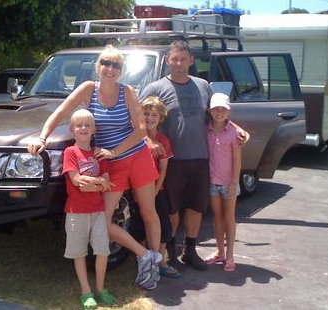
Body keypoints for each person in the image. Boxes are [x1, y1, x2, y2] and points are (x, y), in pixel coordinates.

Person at [27, 45, 162, 290]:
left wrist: (115, 151)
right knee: (103, 222)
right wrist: (42, 137)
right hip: (111, 164)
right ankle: (146, 255)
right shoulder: (88, 89)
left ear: (121, 70)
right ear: (98, 66)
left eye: (116, 65)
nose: (110, 69)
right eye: (106, 63)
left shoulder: (128, 91)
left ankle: (153, 266)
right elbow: (60, 112)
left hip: (136, 157)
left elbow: (140, 130)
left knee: (148, 212)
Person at [139, 40, 249, 271]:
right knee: (172, 209)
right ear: (168, 59)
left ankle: (190, 250)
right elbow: (140, 120)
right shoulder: (155, 88)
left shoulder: (202, 86)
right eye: (174, 59)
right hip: (171, 162)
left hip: (200, 159)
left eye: (183, 59)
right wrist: (148, 140)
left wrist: (238, 129)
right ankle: (170, 252)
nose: (178, 64)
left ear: (191, 61)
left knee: (196, 207)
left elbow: (217, 115)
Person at [62, 109, 117, 308]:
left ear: (94, 129)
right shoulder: (70, 152)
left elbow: (107, 183)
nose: (83, 128)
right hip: (76, 211)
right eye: (79, 125)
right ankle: (86, 291)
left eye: (87, 125)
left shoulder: (98, 154)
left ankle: (101, 288)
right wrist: (98, 182)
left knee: (102, 250)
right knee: (79, 252)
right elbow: (76, 180)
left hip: (98, 210)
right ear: (72, 130)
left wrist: (94, 183)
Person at [142, 96, 181, 278]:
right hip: (138, 189)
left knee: (164, 226)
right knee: (140, 226)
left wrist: (155, 192)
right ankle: (146, 259)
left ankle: (160, 260)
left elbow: (163, 170)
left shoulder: (163, 141)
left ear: (161, 118)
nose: (150, 118)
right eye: (146, 114)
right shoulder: (137, 138)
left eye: (154, 115)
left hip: (157, 190)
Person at [205, 93, 242, 272]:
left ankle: (230, 254)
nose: (219, 112)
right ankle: (219, 250)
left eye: (223, 109)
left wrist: (234, 182)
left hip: (228, 182)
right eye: (215, 109)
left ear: (229, 111)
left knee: (229, 218)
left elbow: (237, 159)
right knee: (217, 217)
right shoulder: (206, 129)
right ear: (210, 111)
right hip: (212, 181)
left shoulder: (234, 133)